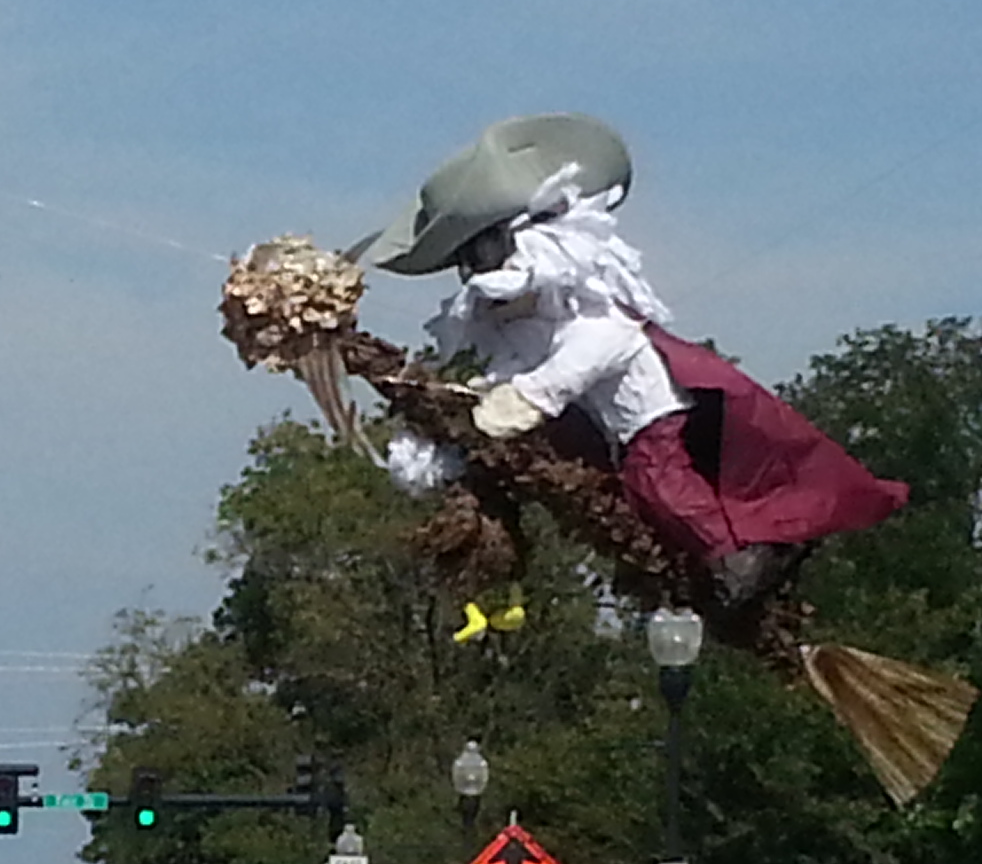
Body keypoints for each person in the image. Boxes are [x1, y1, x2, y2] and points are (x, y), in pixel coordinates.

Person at [362, 114, 909, 609]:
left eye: (483, 253)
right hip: (618, 433)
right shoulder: (524, 322)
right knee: (644, 493)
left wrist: (536, 395)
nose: (478, 275)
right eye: (468, 262)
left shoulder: (591, 312)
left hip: (650, 415)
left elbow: (600, 348)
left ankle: (737, 554)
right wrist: (473, 406)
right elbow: (515, 371)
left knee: (659, 483)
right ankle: (721, 556)